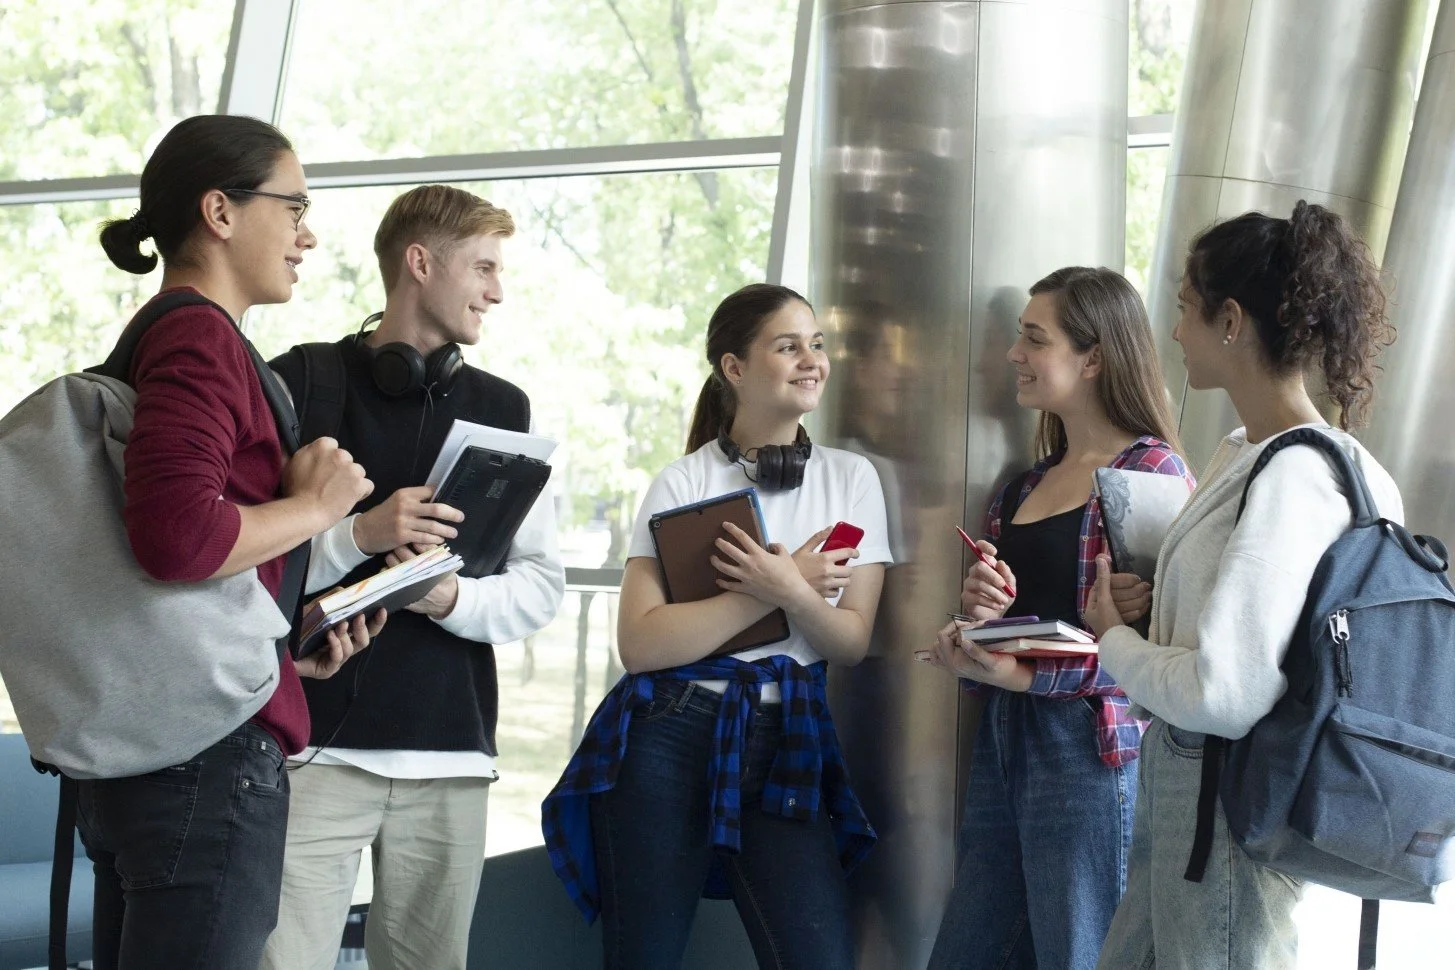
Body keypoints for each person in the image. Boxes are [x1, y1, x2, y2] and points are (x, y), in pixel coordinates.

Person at [84, 114, 380, 970]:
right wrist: (318, 504)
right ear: (220, 210)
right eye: (293, 207)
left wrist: (282, 653)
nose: (307, 235)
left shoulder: (168, 332)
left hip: (164, 750)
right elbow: (177, 540)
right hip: (204, 764)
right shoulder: (199, 336)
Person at [1087, 202, 1403, 969]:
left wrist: (1112, 640)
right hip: (1204, 797)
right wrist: (1156, 600)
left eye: (1183, 310)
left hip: (1226, 805)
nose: (1172, 332)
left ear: (1229, 321)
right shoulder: (1259, 454)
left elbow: (1224, 694)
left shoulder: (1293, 474)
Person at [542, 283, 892, 970]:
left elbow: (847, 641)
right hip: (668, 733)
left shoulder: (851, 482)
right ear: (734, 369)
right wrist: (779, 589)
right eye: (787, 345)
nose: (811, 359)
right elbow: (642, 646)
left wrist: (784, 587)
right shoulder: (681, 483)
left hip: (787, 733)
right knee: (644, 956)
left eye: (816, 344)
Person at [260, 185, 566, 970]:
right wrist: (358, 534)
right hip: (308, 755)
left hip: (449, 758)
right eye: (484, 267)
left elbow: (539, 585)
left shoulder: (508, 407)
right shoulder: (300, 383)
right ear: (419, 262)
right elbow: (238, 564)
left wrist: (448, 595)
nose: (497, 290)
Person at [918, 267, 1194, 970]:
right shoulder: (1025, 484)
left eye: (1032, 339)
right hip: (1005, 740)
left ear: (1093, 357)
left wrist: (1019, 674)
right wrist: (982, 613)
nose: (1014, 354)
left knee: (1078, 954)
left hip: (1088, 753)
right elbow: (1017, 618)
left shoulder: (1150, 473)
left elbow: (1155, 657)